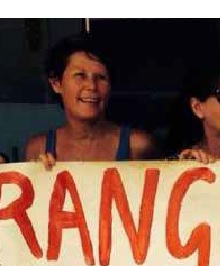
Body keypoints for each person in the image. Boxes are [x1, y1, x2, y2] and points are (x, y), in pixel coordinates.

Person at [24, 34, 156, 169]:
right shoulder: (38, 148)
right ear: (56, 84)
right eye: (80, 76)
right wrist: (38, 174)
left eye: (101, 77)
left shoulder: (137, 146)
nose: (92, 86)